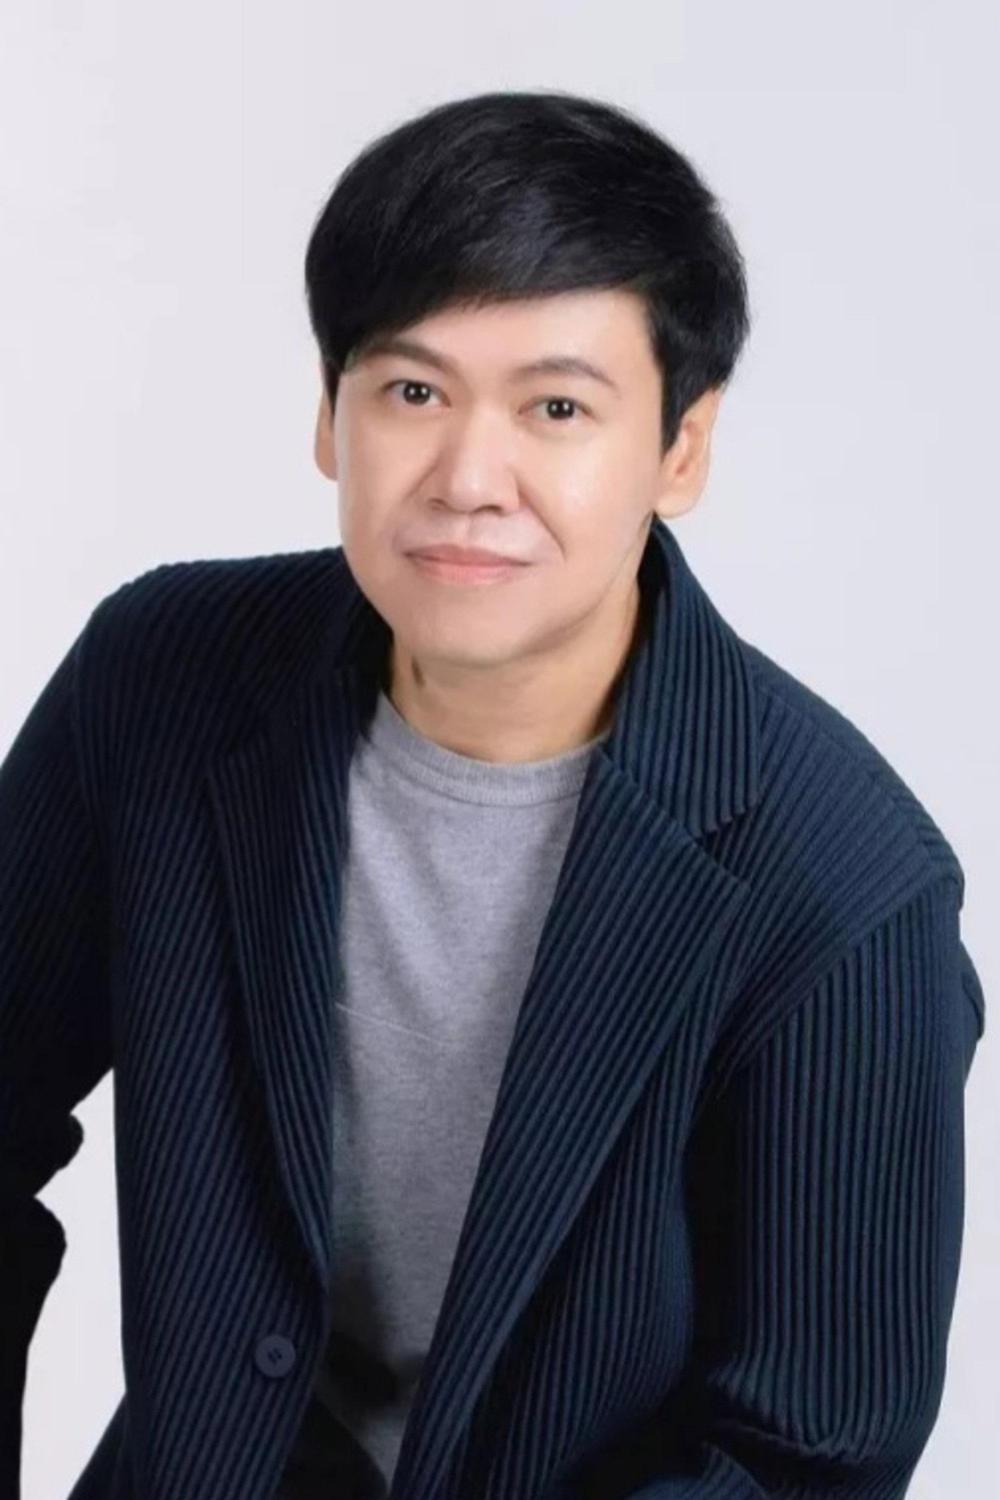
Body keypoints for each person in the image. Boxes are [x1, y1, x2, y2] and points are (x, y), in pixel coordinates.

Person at [0, 89, 985, 1500]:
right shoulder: (160, 680)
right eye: (412, 392)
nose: (469, 479)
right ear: (330, 415)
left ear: (683, 449)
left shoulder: (841, 890)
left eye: (557, 409)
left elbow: (804, 1457)